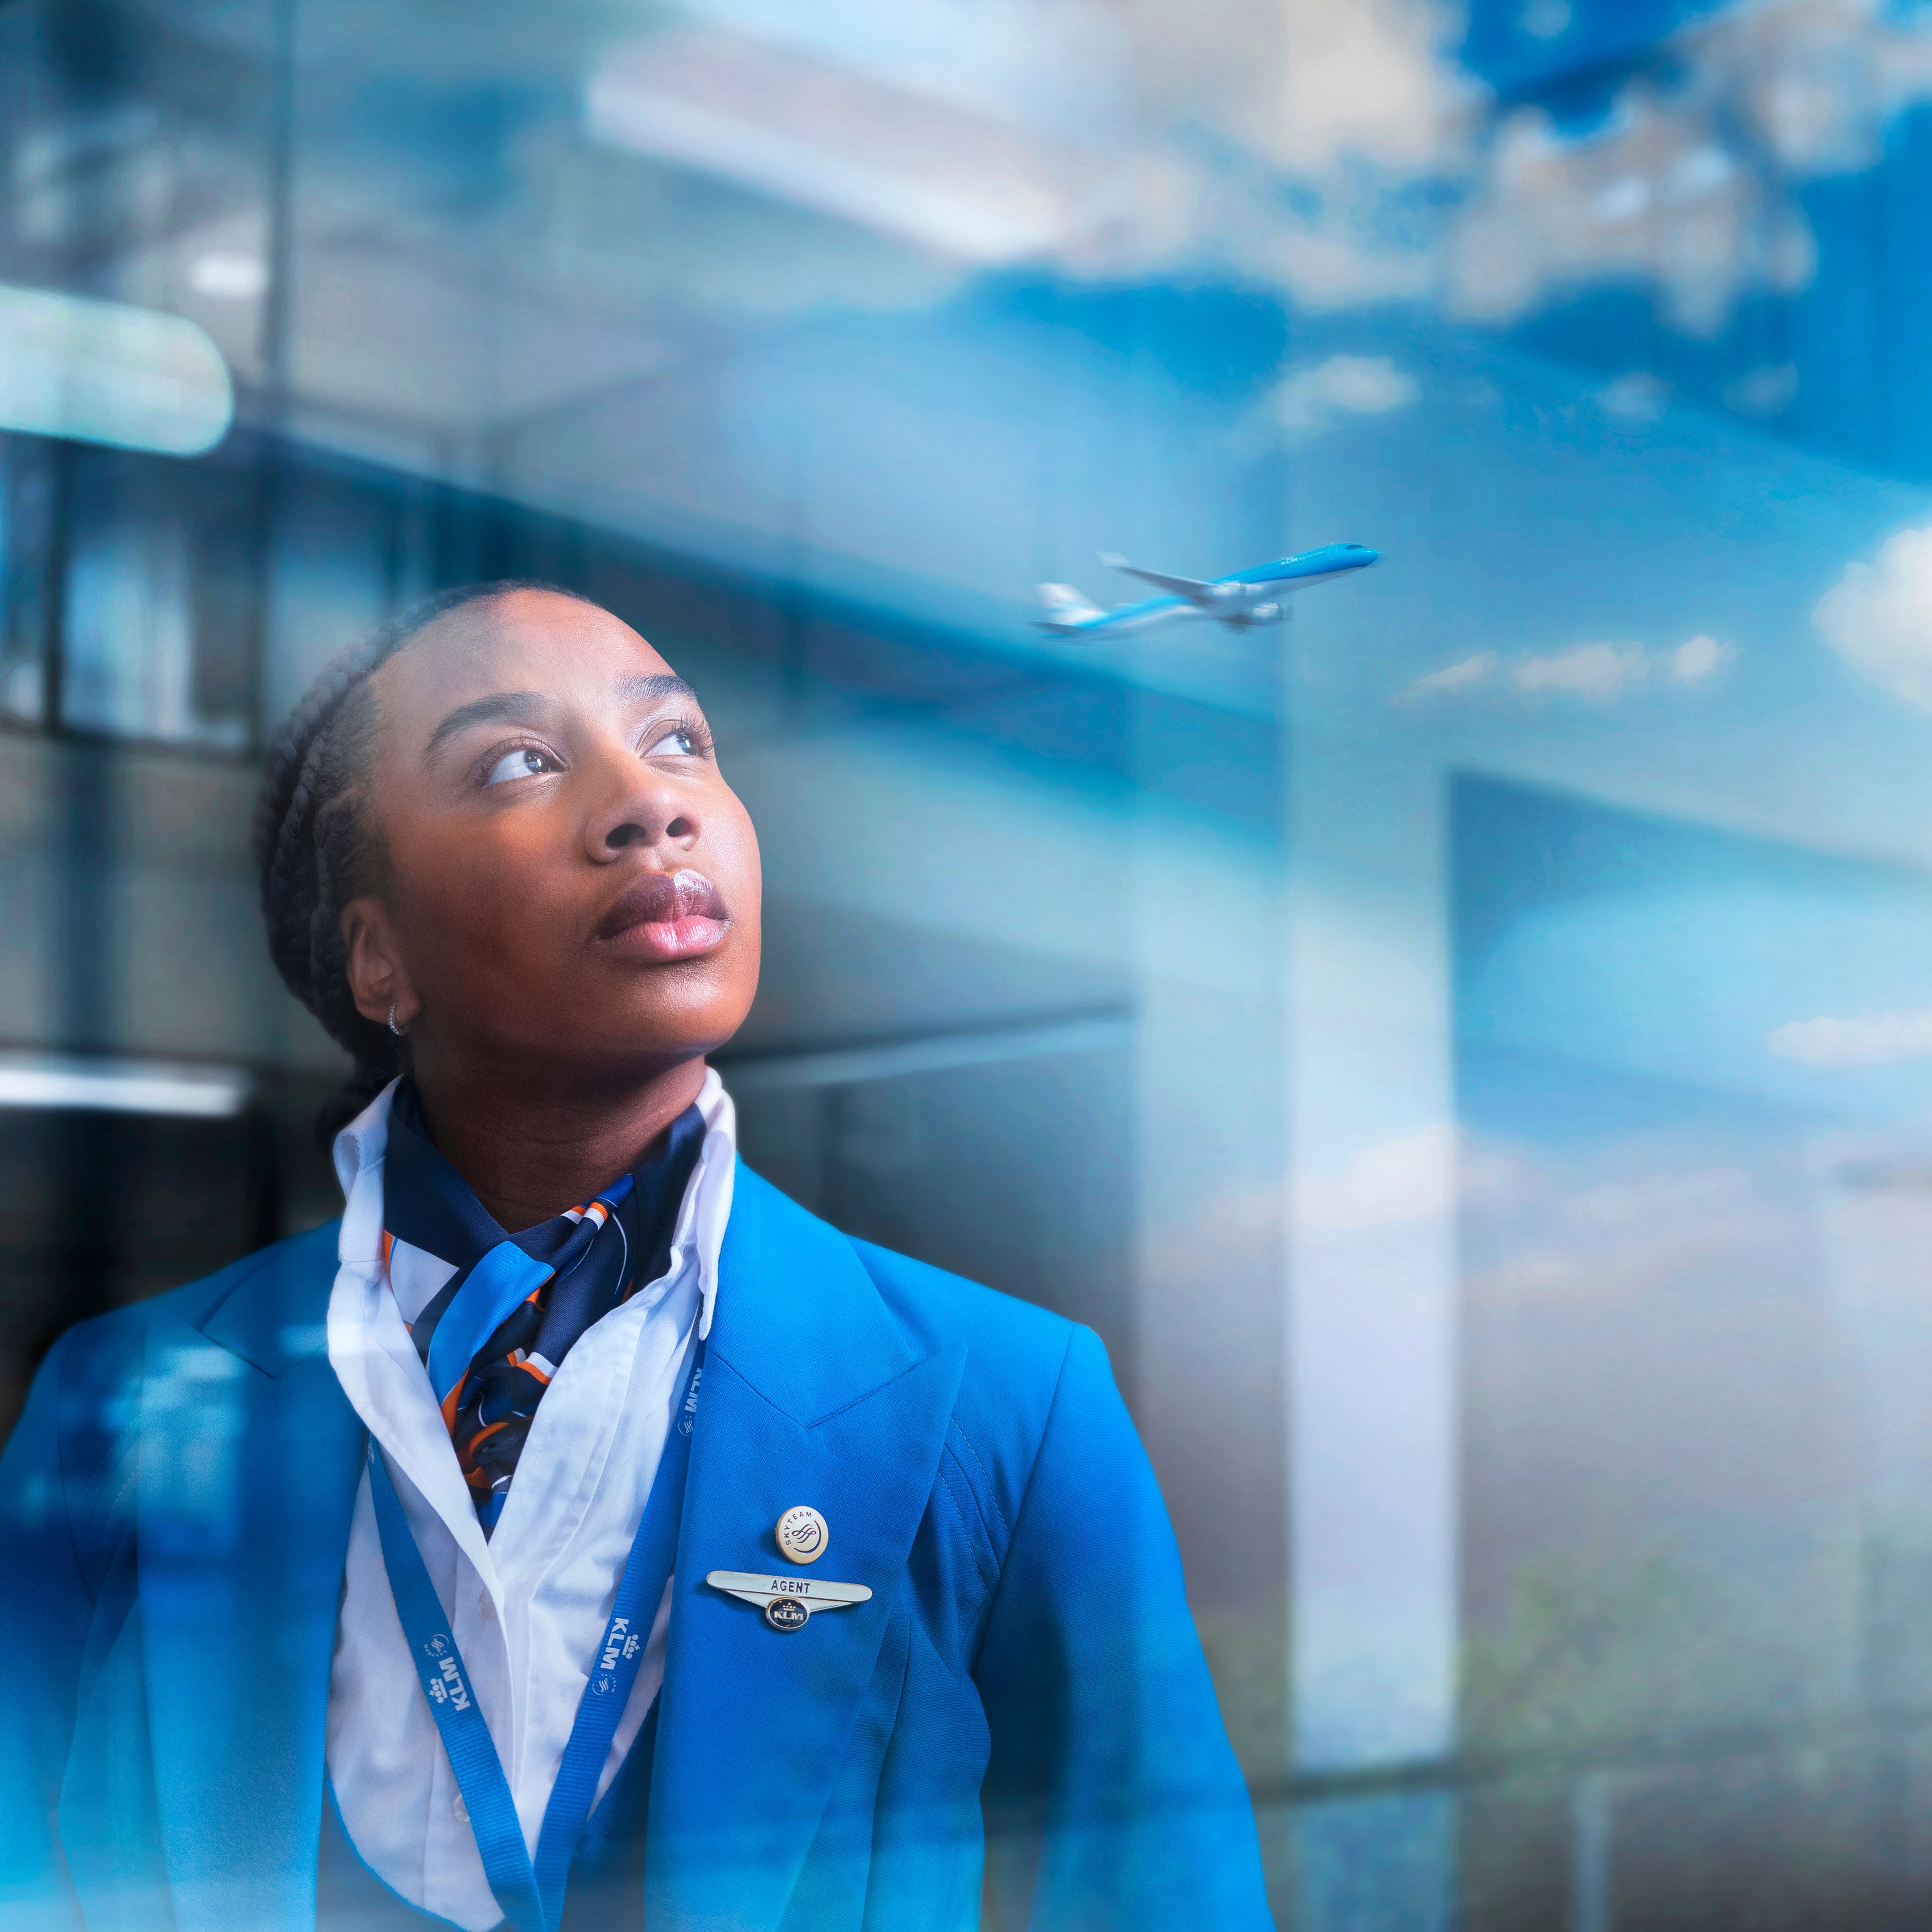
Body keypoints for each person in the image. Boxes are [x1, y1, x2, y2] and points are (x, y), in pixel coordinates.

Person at [0, 582, 1272, 1931]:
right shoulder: (123, 1404)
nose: (650, 807)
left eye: (680, 743)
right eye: (518, 763)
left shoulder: (1011, 1408)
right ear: (379, 957)